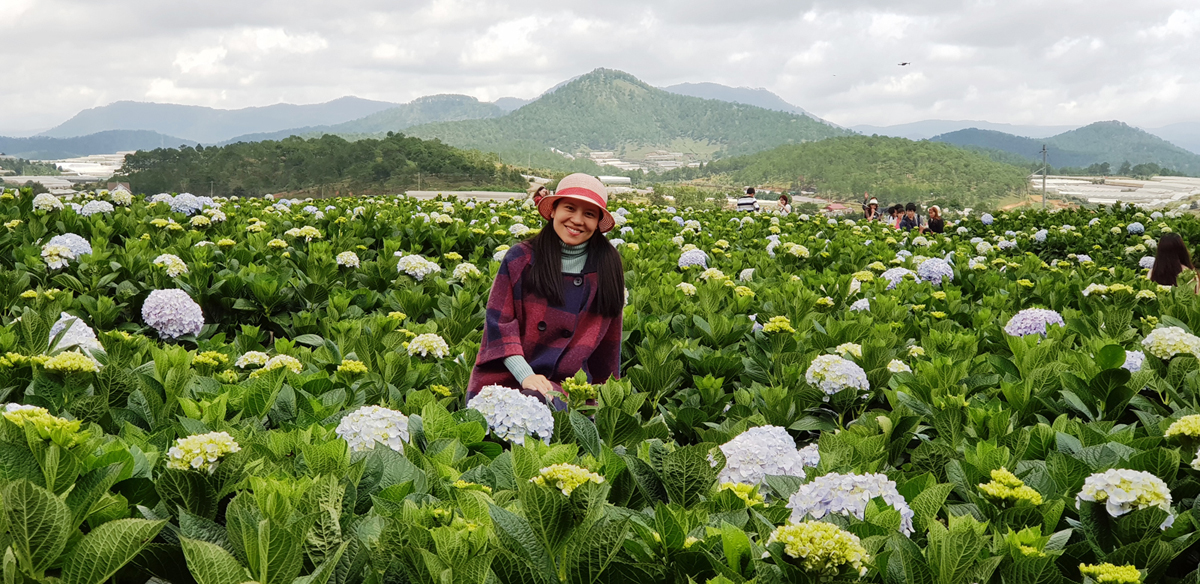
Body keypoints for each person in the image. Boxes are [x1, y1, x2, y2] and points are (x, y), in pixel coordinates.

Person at [467, 173, 625, 409]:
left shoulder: (607, 266)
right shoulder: (521, 258)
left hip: (569, 387)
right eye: (569, 208)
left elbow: (609, 347)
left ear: (598, 221)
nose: (577, 220)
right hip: (509, 378)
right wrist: (526, 376)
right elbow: (499, 326)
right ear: (553, 210)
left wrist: (607, 401)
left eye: (589, 214)